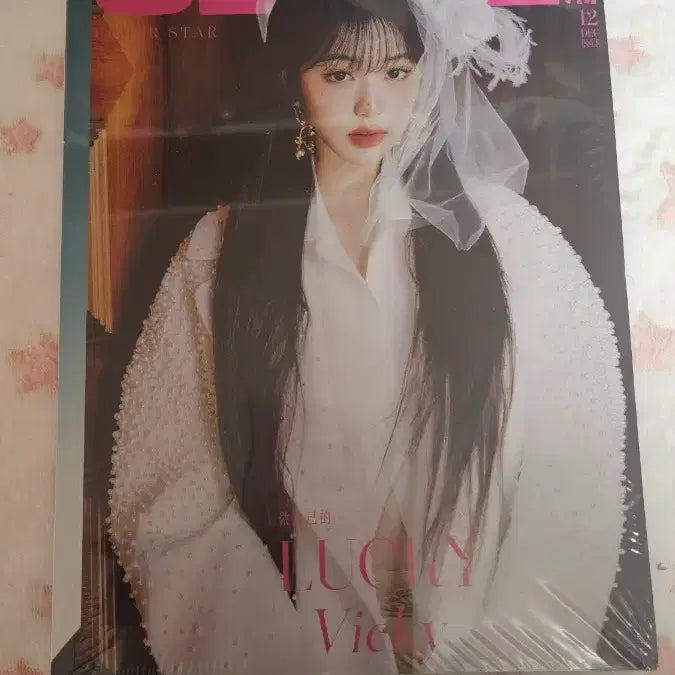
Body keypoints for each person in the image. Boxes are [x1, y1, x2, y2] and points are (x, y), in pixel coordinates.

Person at [108, 0, 627, 672]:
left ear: (427, 73)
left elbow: (580, 463)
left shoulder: (511, 240)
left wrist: (503, 658)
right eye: (337, 74)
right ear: (292, 79)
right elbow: (167, 488)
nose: (368, 104)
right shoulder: (218, 253)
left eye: (395, 72)